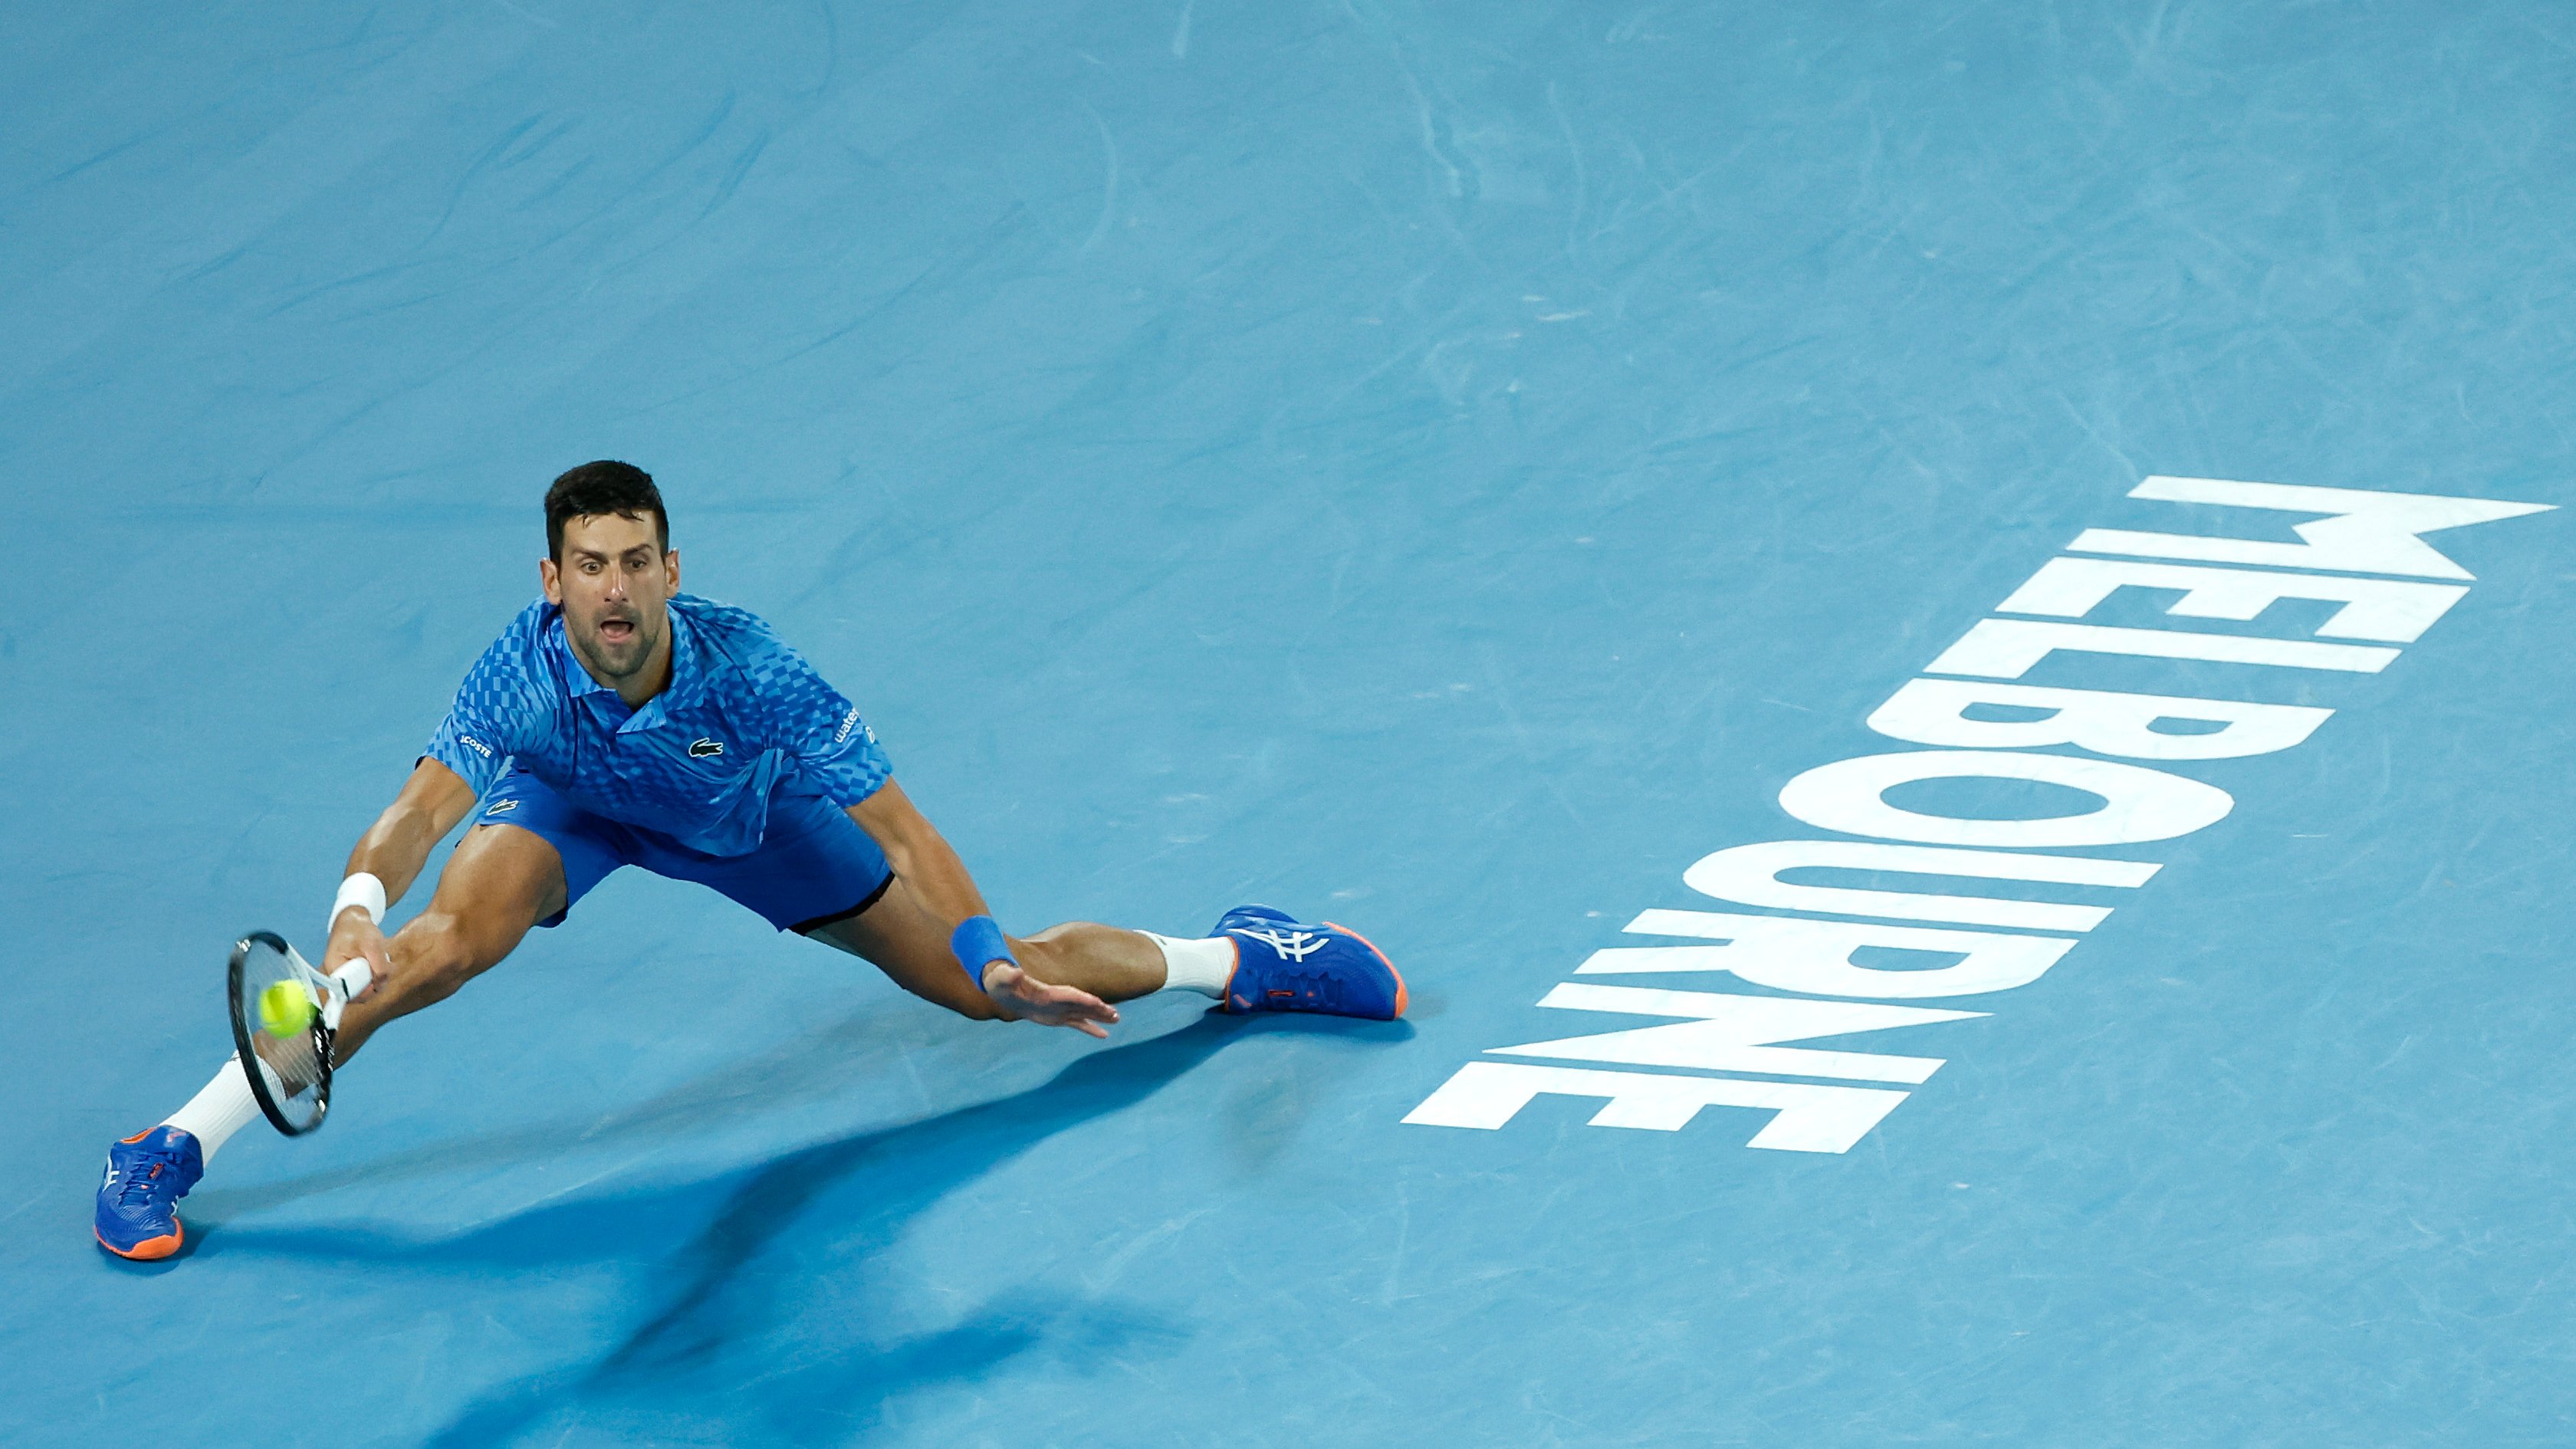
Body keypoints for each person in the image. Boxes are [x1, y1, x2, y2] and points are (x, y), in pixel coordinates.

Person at [96, 461, 1403, 1260]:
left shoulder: (759, 674)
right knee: (425, 954)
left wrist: (990, 954)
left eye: (637, 563)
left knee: (988, 988)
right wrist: (353, 916)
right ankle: (171, 1142)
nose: (615, 590)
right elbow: (414, 812)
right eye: (589, 567)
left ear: (673, 567)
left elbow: (902, 829)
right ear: (551, 579)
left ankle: (1244, 954)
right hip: (578, 804)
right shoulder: (522, 672)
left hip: (755, 823)